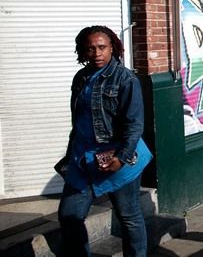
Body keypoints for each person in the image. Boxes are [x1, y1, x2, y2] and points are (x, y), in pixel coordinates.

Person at [57, 25, 152, 257]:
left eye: (102, 47)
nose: (97, 53)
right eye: (90, 48)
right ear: (82, 52)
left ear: (113, 48)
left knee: (128, 216)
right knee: (69, 216)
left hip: (118, 158)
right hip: (83, 159)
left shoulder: (125, 79)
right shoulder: (80, 78)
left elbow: (135, 125)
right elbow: (78, 120)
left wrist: (121, 157)